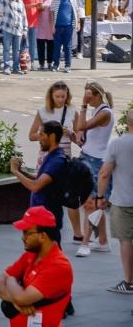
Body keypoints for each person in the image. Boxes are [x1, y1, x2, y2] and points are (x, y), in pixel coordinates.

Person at [0, 206, 73, 327]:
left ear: (43, 236)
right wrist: (16, 302)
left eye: (27, 233)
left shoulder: (58, 266)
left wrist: (10, 279)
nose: (22, 238)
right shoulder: (30, 255)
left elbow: (21, 297)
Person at [29, 81, 82, 243]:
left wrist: (71, 133)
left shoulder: (72, 111)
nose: (60, 100)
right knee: (46, 194)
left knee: (71, 195)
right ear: (51, 96)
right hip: (46, 156)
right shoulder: (43, 111)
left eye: (63, 97)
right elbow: (31, 135)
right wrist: (49, 134)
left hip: (65, 155)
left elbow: (80, 140)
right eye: (57, 97)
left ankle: (78, 233)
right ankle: (43, 227)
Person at [73, 81, 115, 257]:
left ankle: (85, 243)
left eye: (89, 94)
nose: (87, 97)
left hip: (97, 161)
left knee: (92, 204)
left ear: (97, 95)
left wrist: (82, 106)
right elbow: (83, 134)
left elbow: (81, 126)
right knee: (94, 204)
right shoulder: (96, 110)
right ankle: (103, 241)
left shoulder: (104, 113)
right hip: (88, 157)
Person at [97, 108, 133, 293]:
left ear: (127, 123)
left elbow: (104, 174)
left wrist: (100, 197)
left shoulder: (117, 144)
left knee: (126, 240)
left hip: (123, 201)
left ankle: (129, 282)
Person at [11, 120, 69, 232]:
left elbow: (35, 186)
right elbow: (39, 179)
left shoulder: (57, 160)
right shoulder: (51, 156)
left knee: (49, 248)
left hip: (47, 219)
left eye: (41, 134)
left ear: (51, 136)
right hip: (40, 217)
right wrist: (21, 171)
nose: (39, 138)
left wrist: (15, 172)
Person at [50, 0, 78, 72]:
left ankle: (68, 65)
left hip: (68, 27)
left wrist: (77, 24)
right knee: (57, 46)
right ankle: (56, 65)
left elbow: (76, 12)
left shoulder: (73, 0)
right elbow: (52, 12)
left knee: (68, 47)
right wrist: (52, 26)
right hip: (57, 26)